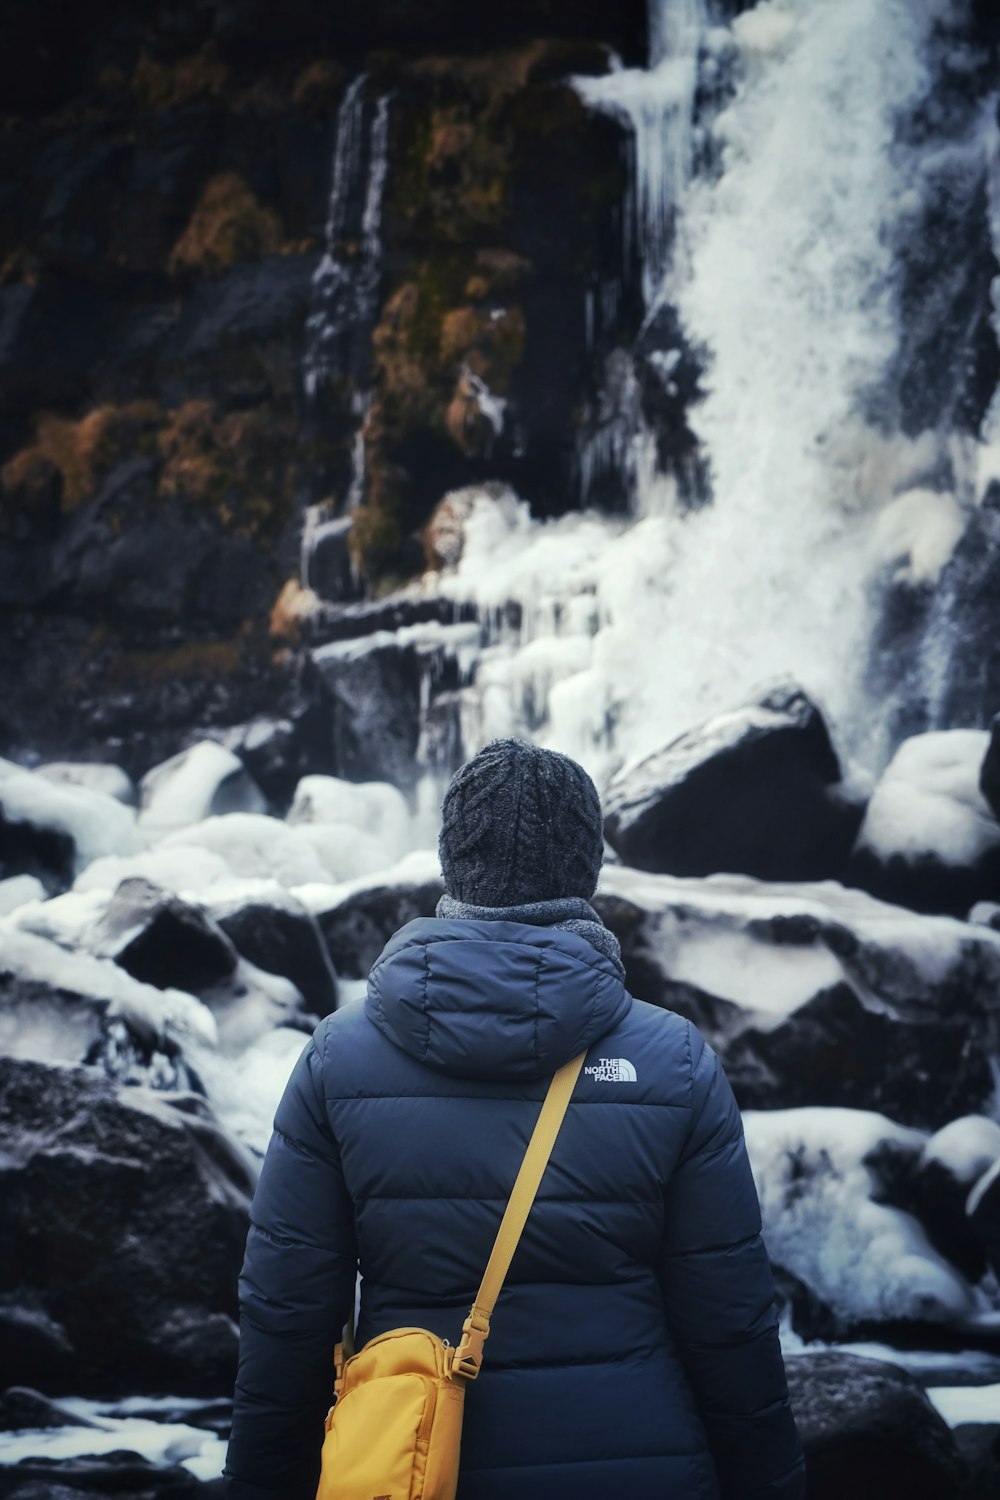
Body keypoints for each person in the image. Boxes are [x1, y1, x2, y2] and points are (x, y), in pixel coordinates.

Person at [223, 738, 805, 1500]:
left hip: (419, 1468)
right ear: (588, 869)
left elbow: (287, 1324)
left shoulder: (339, 1059)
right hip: (641, 1466)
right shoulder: (673, 1062)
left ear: (450, 860)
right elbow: (730, 1328)